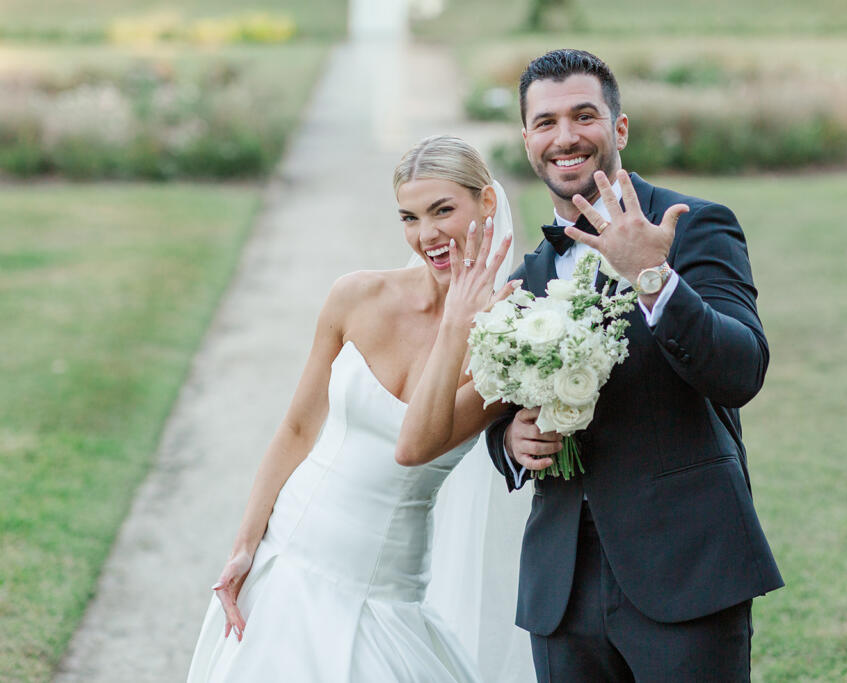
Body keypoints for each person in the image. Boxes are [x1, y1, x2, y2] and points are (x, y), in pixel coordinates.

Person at [483, 49, 785, 681]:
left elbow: (740, 370)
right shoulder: (525, 277)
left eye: (584, 115)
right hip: (560, 590)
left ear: (619, 128)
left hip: (686, 572)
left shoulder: (694, 226)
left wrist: (654, 279)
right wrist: (511, 439)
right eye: (545, 123)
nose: (565, 137)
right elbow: (502, 410)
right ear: (527, 141)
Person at [186, 135, 525, 682]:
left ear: (486, 203)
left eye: (443, 210)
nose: (427, 235)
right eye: (410, 218)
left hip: (383, 587)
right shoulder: (357, 296)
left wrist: (459, 324)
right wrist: (246, 547)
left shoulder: (512, 337)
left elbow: (415, 445)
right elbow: (297, 428)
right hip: (290, 557)